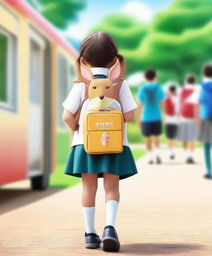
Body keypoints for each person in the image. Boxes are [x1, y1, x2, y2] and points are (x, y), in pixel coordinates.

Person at [62, 31, 138, 252]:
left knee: (88, 186)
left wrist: (78, 127)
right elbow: (130, 116)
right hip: (115, 144)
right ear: (115, 60)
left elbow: (66, 116)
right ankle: (109, 229)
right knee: (111, 186)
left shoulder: (80, 86)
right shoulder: (119, 86)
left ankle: (89, 233)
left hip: (85, 145)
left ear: (83, 61)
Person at [137, 69, 165, 164]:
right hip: (157, 116)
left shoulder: (142, 88)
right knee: (157, 137)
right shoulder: (158, 87)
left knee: (147, 138)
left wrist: (138, 118)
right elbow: (162, 102)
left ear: (145, 78)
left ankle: (150, 157)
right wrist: (164, 115)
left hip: (145, 117)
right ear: (155, 77)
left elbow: (140, 104)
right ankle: (157, 154)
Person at [177, 74, 198, 164]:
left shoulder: (181, 90)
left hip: (183, 117)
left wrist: (178, 116)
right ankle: (190, 155)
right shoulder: (197, 90)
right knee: (192, 137)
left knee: (185, 137)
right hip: (193, 117)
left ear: (186, 81)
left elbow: (178, 104)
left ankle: (186, 154)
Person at [164, 84, 179, 160]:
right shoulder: (177, 99)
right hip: (175, 121)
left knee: (169, 137)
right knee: (174, 137)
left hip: (168, 120)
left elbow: (164, 110)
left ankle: (171, 152)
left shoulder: (167, 99)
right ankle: (173, 151)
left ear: (170, 91)